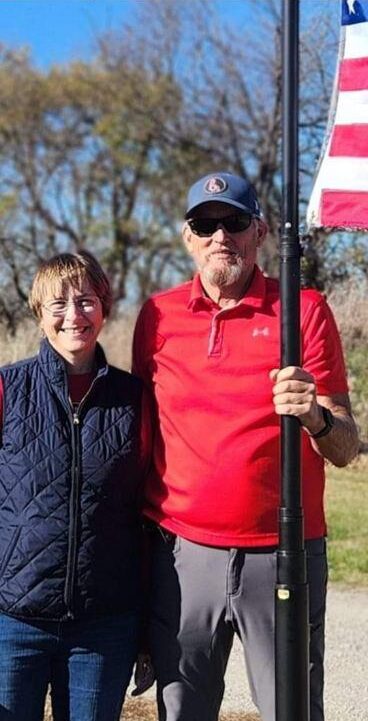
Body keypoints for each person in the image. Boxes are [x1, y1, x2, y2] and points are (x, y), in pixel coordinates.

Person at [132, 172, 359, 721]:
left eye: (234, 222)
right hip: (181, 555)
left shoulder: (303, 311)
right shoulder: (156, 316)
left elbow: (347, 446)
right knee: (181, 708)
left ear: (259, 232)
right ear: (187, 237)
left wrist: (313, 415)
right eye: (205, 224)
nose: (220, 237)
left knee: (292, 709)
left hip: (284, 553)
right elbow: (139, 436)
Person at [0, 250, 150, 721]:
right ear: (39, 313)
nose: (73, 316)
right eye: (57, 304)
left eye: (85, 301)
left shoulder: (136, 401)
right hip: (13, 621)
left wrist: (146, 627)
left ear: (104, 308)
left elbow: (146, 518)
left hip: (103, 628)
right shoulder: (6, 389)